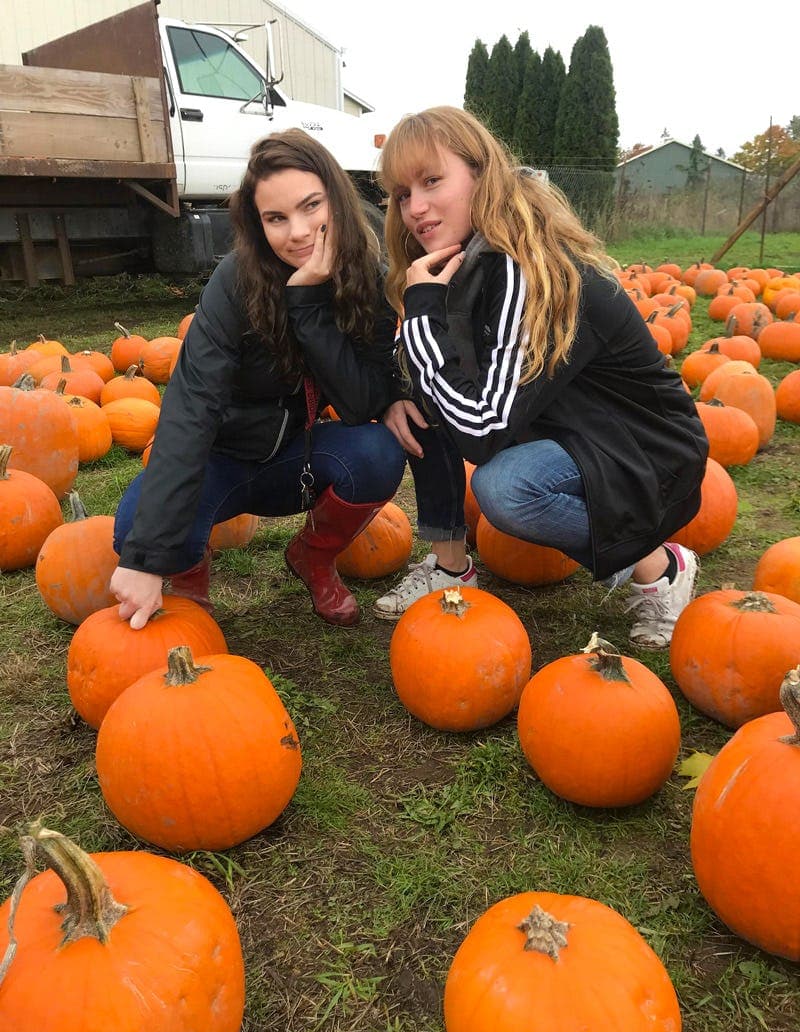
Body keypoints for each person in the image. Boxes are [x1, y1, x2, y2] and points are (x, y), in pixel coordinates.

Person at [374, 106, 708, 648]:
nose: (415, 207)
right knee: (427, 399)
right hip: (570, 431)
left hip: (645, 447)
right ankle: (449, 564)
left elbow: (483, 432)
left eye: (432, 181)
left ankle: (660, 566)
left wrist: (420, 316)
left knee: (506, 489)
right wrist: (405, 378)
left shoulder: (528, 270)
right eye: (401, 193)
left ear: (482, 175)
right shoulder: (470, 262)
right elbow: (441, 383)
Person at [110, 129, 406, 629]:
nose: (298, 231)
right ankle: (189, 594)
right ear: (257, 223)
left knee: (379, 452)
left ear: (335, 197)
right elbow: (191, 406)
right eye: (276, 218)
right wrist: (146, 554)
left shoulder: (364, 277)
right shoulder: (235, 282)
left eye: (311, 206)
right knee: (136, 525)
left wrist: (308, 305)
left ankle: (312, 558)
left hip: (296, 457)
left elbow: (361, 402)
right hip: (219, 462)